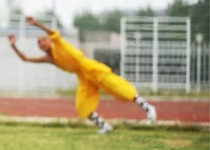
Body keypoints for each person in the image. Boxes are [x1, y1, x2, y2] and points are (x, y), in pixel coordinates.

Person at [8, 16, 157, 134]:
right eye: (39, 43)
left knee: (119, 89)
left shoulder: (58, 43)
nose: (42, 43)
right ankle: (104, 126)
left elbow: (52, 33)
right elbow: (25, 58)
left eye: (44, 40)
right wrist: (14, 45)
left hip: (91, 68)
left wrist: (37, 24)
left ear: (49, 41)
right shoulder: (50, 59)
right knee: (82, 106)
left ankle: (148, 108)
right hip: (83, 77)